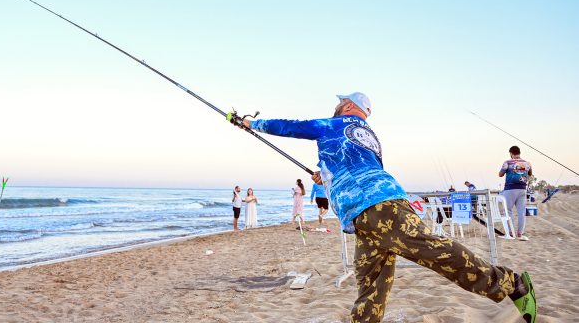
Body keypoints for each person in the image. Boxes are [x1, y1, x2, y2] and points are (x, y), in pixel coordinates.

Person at [228, 92, 536, 323]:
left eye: (341, 102)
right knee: (371, 284)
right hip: (367, 213)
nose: (337, 105)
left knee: (434, 251)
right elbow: (356, 165)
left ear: (350, 106)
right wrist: (327, 176)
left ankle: (510, 283)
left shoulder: (334, 124)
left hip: (377, 207)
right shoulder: (367, 136)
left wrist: (250, 123)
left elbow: (292, 127)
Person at [499, 145, 533, 241]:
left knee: (508, 210)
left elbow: (500, 174)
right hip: (522, 189)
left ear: (511, 153)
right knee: (521, 212)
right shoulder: (527, 163)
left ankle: (510, 233)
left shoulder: (507, 162)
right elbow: (530, 174)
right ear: (519, 152)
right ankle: (520, 233)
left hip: (510, 189)